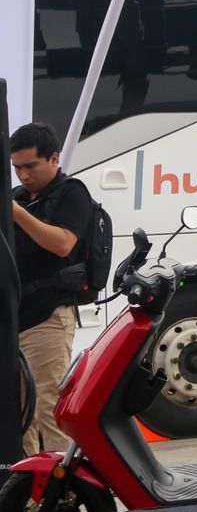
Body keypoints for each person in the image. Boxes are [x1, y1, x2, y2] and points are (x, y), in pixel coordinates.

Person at [10, 122, 94, 454]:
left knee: (47, 405)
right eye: (17, 168)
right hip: (16, 315)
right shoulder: (17, 198)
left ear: (54, 158)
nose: (23, 175)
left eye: (31, 166)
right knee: (19, 410)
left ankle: (64, 493)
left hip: (49, 314)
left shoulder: (72, 193)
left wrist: (16, 214)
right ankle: (28, 491)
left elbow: (62, 244)